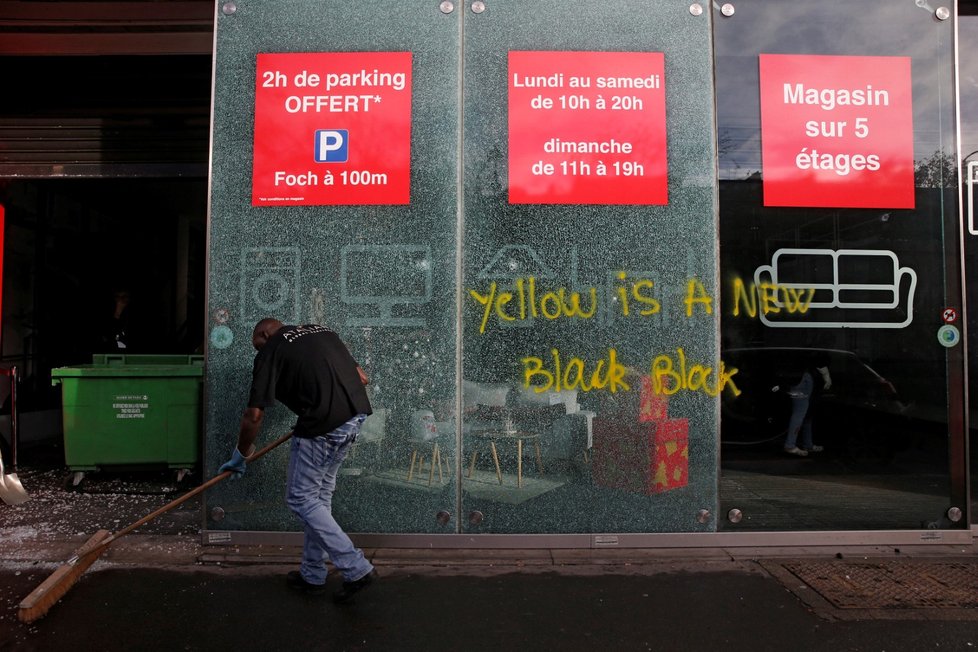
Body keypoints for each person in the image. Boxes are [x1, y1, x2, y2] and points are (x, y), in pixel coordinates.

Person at [220, 318, 376, 603]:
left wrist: (241, 454)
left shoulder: (272, 349)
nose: (259, 354)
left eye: (257, 346)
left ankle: (355, 567)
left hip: (323, 425)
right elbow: (362, 377)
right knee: (319, 498)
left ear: (265, 334)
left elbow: (254, 415)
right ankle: (313, 574)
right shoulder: (324, 330)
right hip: (355, 417)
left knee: (301, 498)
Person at [783, 353, 832, 457]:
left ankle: (807, 444)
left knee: (806, 414)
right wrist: (825, 373)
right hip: (803, 377)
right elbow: (817, 358)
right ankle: (790, 445)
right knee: (800, 413)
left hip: (799, 376)